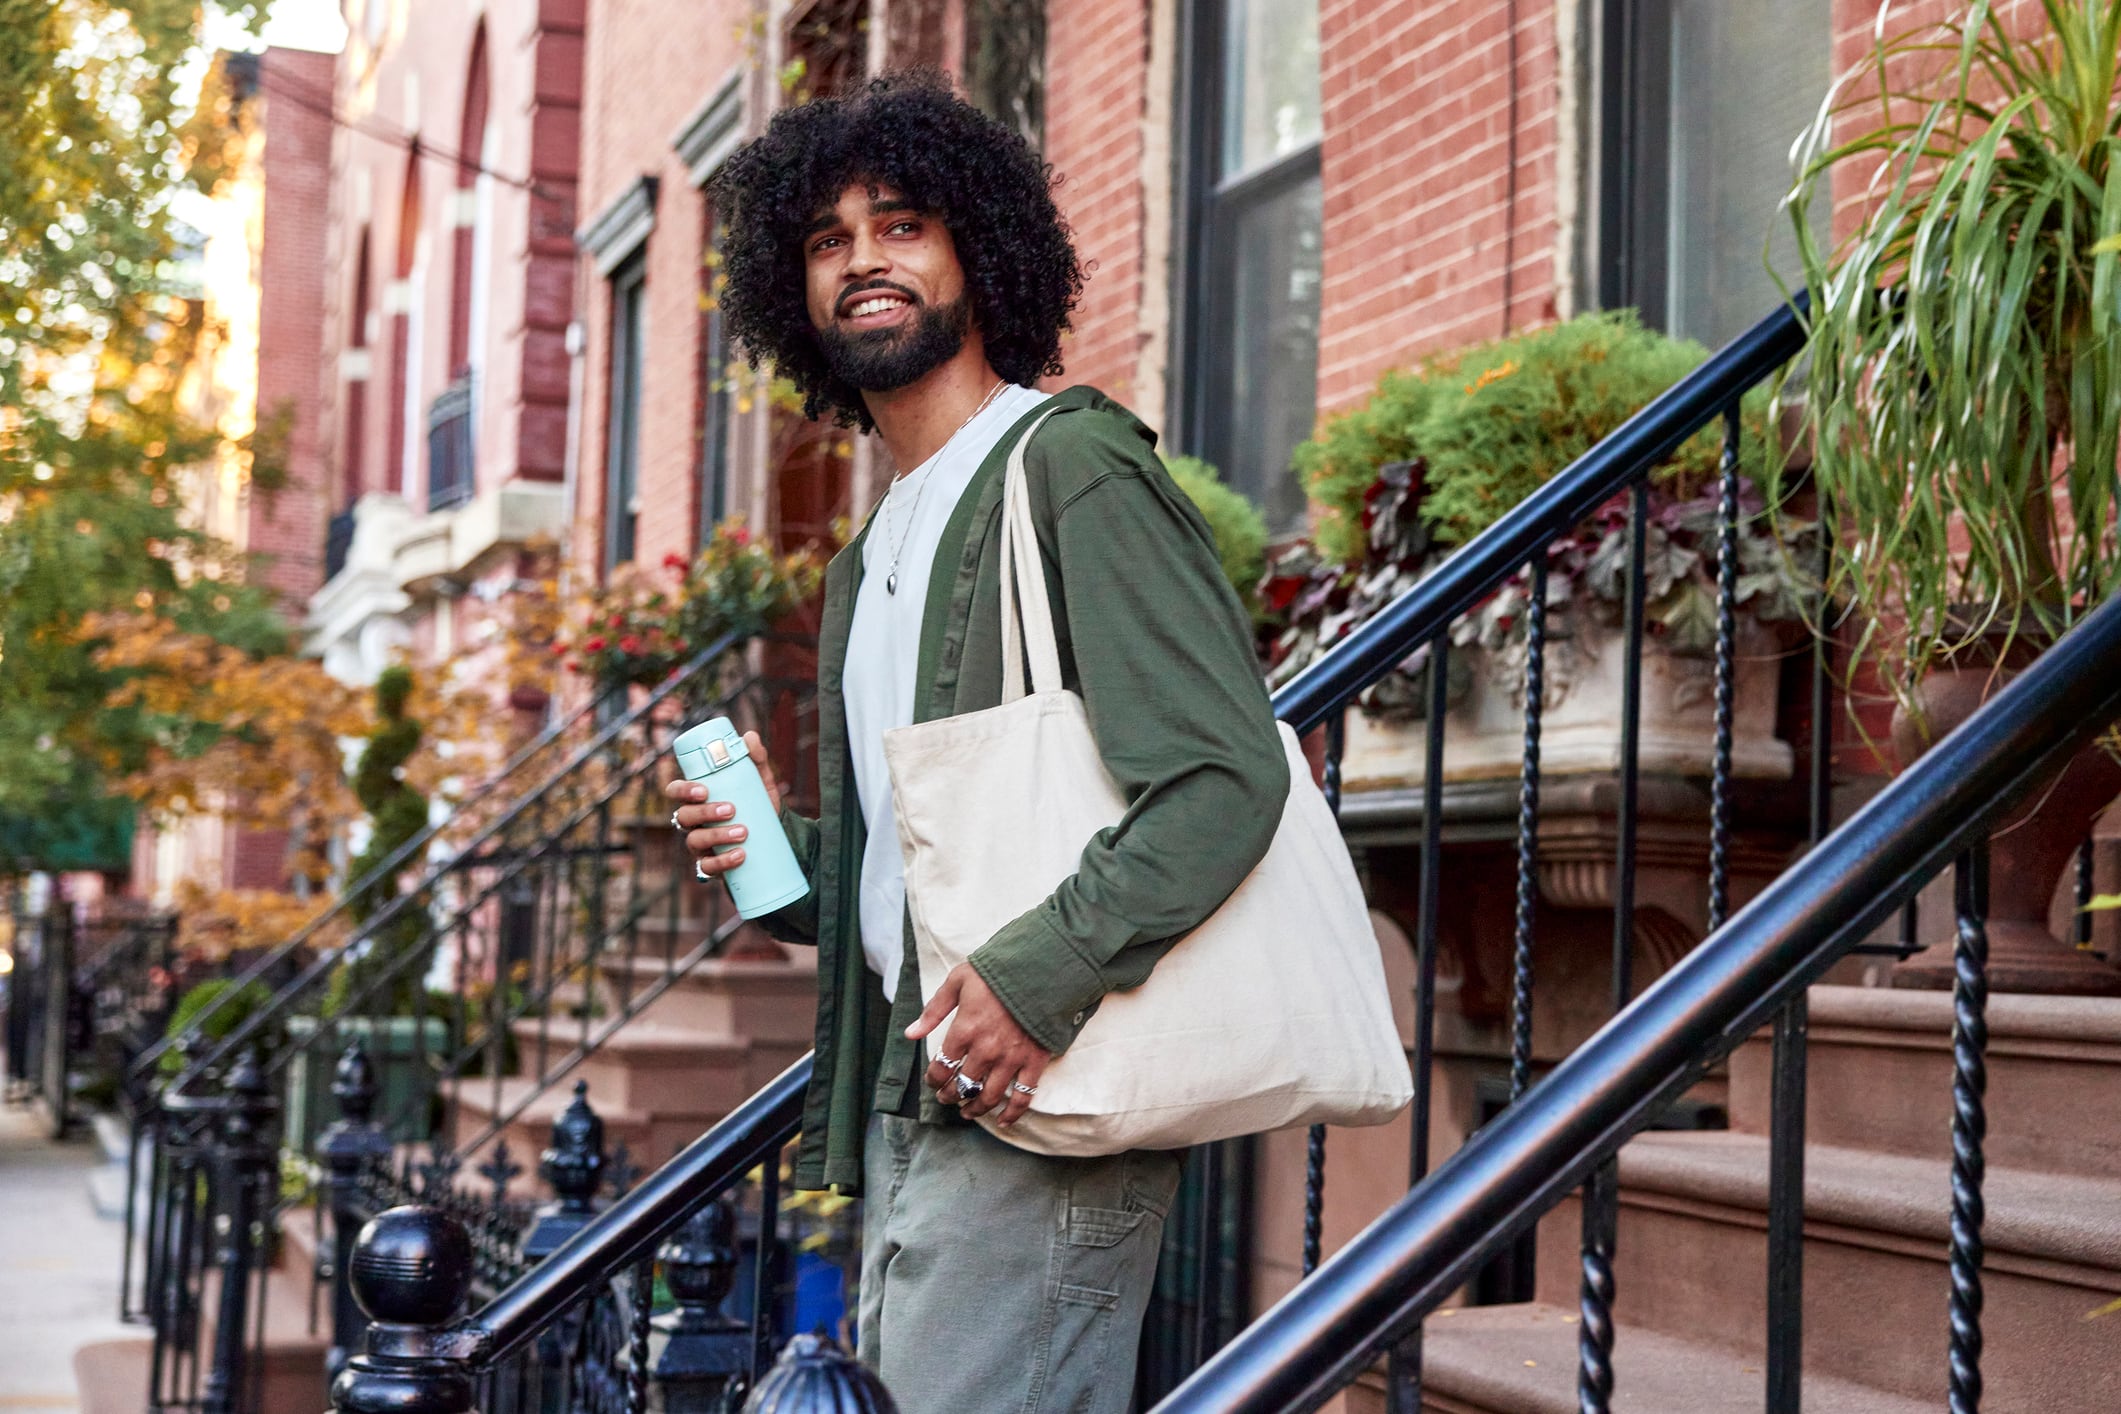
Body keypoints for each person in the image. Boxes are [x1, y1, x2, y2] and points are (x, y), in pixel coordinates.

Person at [665, 71, 1287, 1413]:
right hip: (922, 1086)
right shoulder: (872, 551)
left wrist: (1030, 980)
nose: (862, 260)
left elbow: (1224, 776)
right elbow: (916, 874)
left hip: (1044, 1087)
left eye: (900, 225)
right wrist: (779, 852)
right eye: (827, 241)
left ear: (976, 252)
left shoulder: (1071, 468)